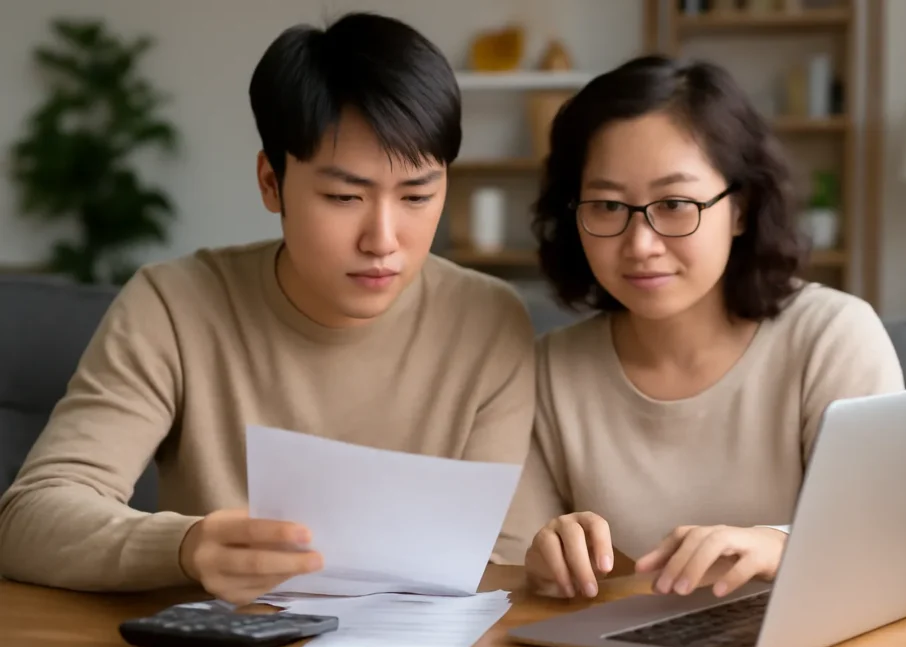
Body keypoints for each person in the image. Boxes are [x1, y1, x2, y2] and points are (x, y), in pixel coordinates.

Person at [0, 12, 535, 605]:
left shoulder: (488, 321)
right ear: (270, 182)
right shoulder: (174, 306)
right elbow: (30, 517)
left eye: (417, 195)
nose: (383, 238)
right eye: (343, 197)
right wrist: (186, 546)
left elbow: (499, 563)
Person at [492, 57, 903, 601]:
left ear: (741, 208)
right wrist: (545, 563)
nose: (641, 243)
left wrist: (782, 547)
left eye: (675, 204)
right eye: (609, 205)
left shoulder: (831, 338)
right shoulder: (547, 370)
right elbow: (514, 577)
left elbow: (889, 547)